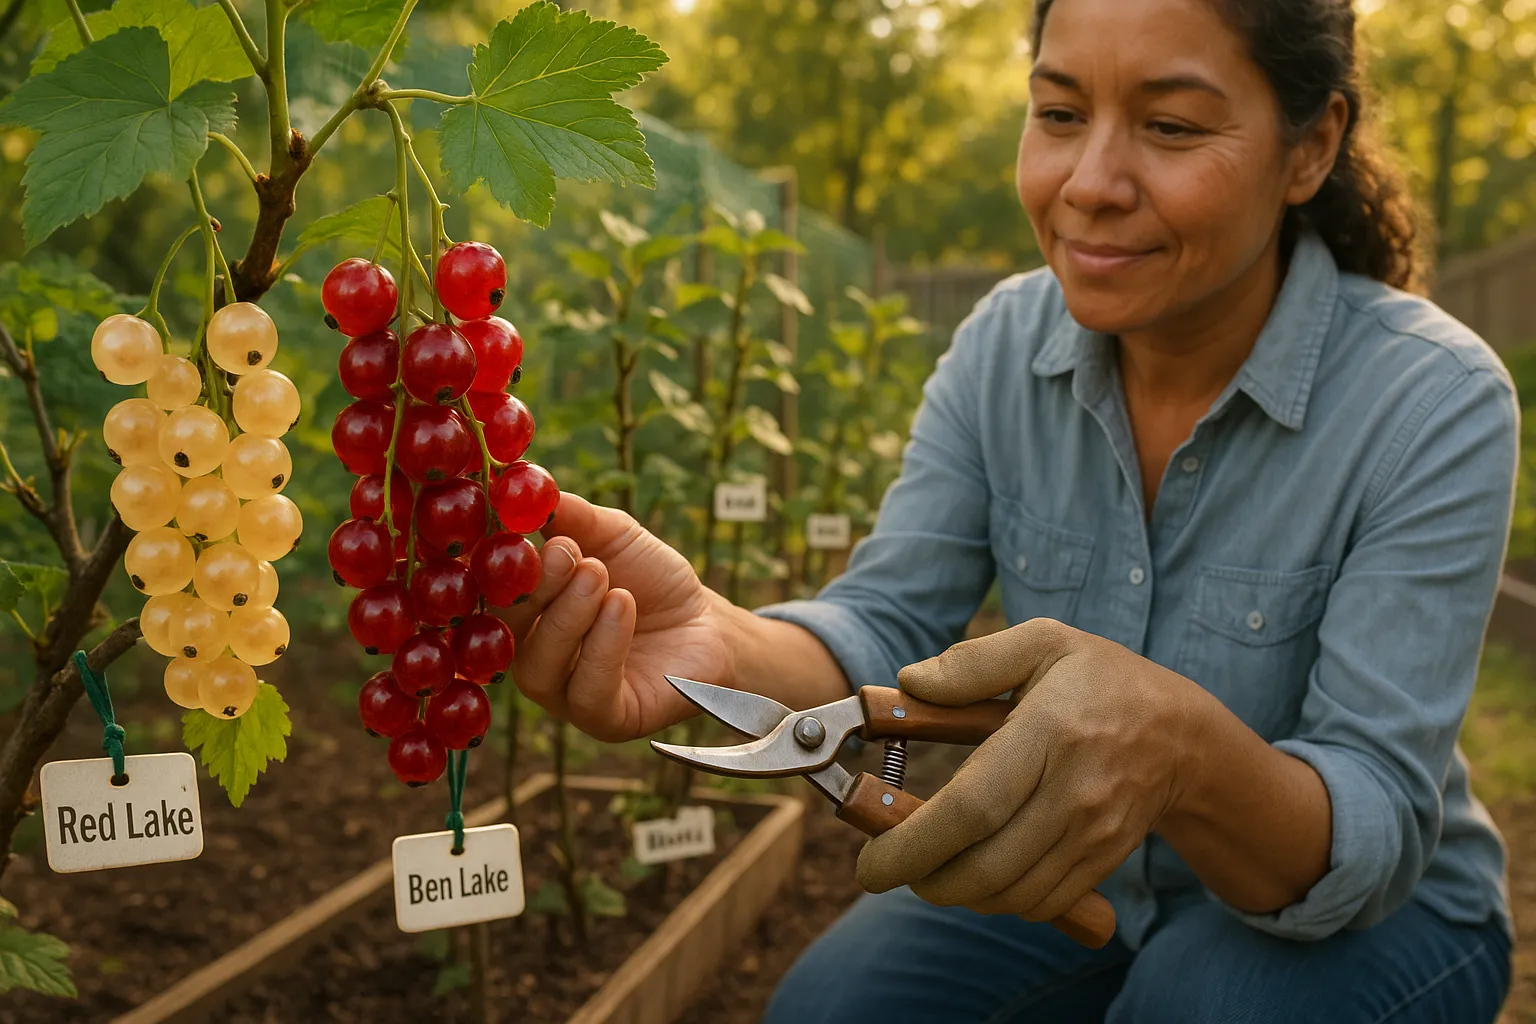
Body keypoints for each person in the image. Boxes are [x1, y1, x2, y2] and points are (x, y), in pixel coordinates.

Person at [499, 0, 1521, 1019]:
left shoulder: (1431, 401)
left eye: (1169, 126)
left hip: (1368, 915)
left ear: (1313, 148)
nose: (1088, 184)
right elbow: (889, 623)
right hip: (1075, 866)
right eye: (1060, 113)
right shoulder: (1001, 350)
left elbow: (1372, 817)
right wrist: (716, 644)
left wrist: (1185, 753)